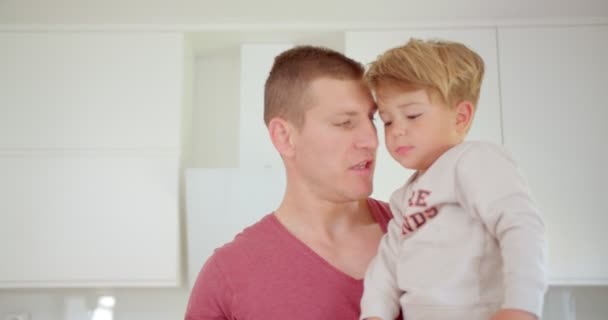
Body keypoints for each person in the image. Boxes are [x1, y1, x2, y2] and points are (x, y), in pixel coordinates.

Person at [185, 46, 401, 319]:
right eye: (345, 123)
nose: (371, 140)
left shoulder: (420, 228)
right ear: (284, 137)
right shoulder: (228, 275)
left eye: (371, 119)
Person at [359, 39, 548, 320]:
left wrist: (521, 307)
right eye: (387, 121)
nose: (397, 130)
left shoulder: (475, 160)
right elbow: (386, 266)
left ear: (460, 117)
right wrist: (373, 314)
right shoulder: (403, 197)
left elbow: (521, 227)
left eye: (412, 115)